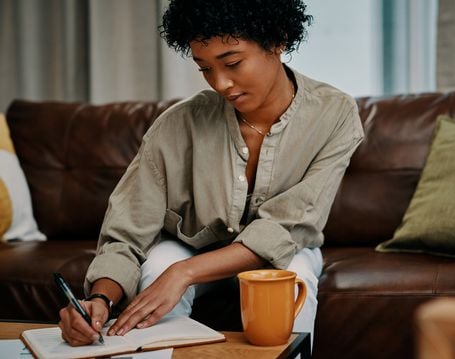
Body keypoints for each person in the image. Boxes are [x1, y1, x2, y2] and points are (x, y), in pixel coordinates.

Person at [58, 0, 364, 347]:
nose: (220, 83)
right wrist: (100, 300)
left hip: (286, 251)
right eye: (204, 68)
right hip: (193, 249)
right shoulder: (178, 124)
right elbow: (127, 231)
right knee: (159, 263)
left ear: (278, 40)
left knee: (294, 278)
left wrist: (184, 273)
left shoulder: (334, 113)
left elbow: (289, 226)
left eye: (232, 63)